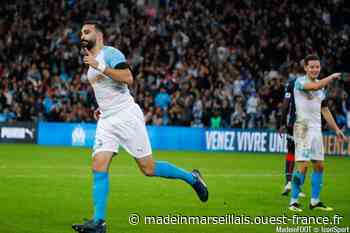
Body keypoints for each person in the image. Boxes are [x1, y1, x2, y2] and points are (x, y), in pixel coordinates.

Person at [72, 20, 208, 233]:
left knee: (149, 169)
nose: (82, 35)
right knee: (99, 165)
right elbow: (106, 88)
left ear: (98, 35)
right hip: (107, 120)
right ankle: (99, 223)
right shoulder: (90, 61)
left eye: (86, 31)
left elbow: (128, 78)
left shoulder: (110, 53)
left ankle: (192, 178)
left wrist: (99, 66)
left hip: (126, 116)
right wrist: (101, 108)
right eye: (81, 32)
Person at [288, 55, 347, 212]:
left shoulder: (321, 88)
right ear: (306, 68)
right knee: (302, 166)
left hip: (316, 129)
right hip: (302, 127)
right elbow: (313, 87)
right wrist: (332, 76)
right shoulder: (300, 82)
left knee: (319, 166)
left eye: (317, 67)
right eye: (312, 67)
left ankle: (314, 201)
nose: (315, 69)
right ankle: (293, 201)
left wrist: (337, 129)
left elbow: (325, 109)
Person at [279, 71, 305, 197]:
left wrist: (282, 123)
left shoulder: (292, 83)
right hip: (307, 124)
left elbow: (285, 105)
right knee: (303, 156)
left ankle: (289, 182)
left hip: (293, 123)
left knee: (291, 151)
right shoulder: (314, 84)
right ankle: (297, 186)